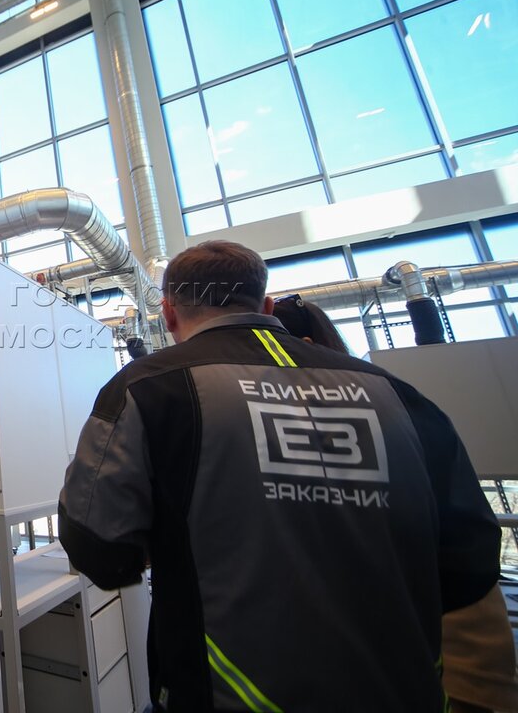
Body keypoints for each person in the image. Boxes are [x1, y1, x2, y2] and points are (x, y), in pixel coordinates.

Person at [58, 240, 500, 712]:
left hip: (229, 693)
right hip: (405, 692)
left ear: (168, 313)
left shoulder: (146, 387)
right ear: (266, 305)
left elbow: (98, 549)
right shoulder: (398, 394)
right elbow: (470, 562)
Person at [273, 293, 518, 713]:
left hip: (439, 626)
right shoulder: (392, 399)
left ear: (304, 346)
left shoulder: (376, 407)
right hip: (410, 624)